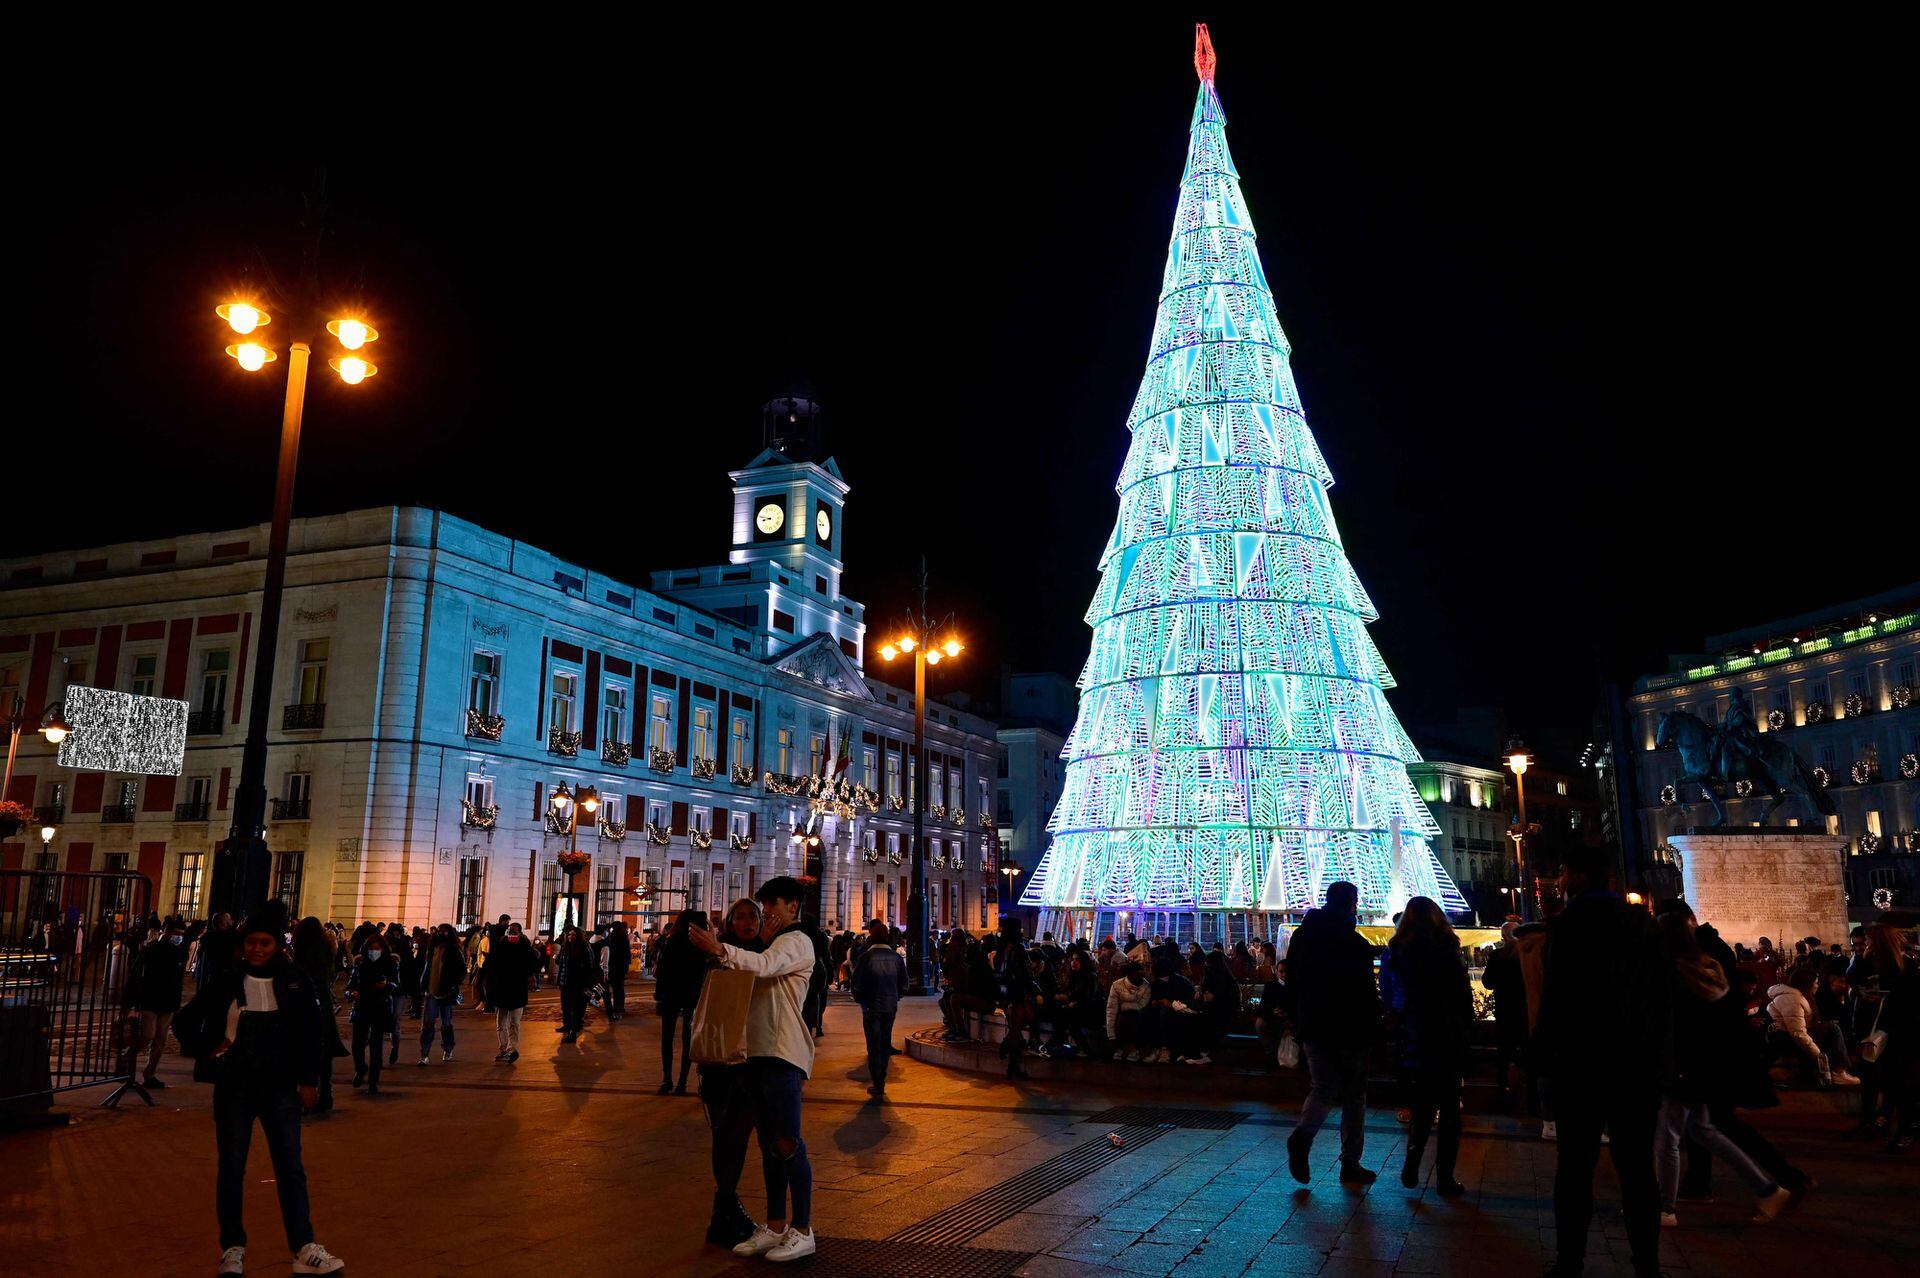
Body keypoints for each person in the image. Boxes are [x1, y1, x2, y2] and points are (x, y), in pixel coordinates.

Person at [171, 903, 345, 1275]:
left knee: (290, 1167)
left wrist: (310, 1080)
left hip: (281, 1087)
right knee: (232, 1167)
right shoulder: (227, 980)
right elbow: (185, 1019)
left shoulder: (295, 981)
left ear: (277, 946)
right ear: (243, 944)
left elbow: (311, 1033)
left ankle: (304, 1247)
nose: (257, 949)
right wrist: (208, 1048)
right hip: (235, 1086)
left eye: (264, 943)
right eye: (251, 942)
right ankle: (232, 1247)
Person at [1534, 845, 1671, 1278]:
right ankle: (1646, 1265)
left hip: (1581, 1064)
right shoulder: (1641, 925)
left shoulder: (1569, 927)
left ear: (1578, 876)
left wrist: (1540, 1055)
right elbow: (1662, 1000)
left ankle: (1570, 1261)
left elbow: (1556, 999)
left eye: (1562, 871)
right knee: (1636, 1170)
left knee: (1574, 1168)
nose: (1558, 881)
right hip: (1635, 1065)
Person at [686, 876, 821, 1263]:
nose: (767, 915)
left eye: (771, 907)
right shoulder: (777, 943)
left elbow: (763, 967)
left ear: (792, 906)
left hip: (782, 1054)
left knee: (788, 1144)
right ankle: (776, 1225)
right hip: (756, 1054)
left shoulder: (797, 942)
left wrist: (720, 947)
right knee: (768, 1146)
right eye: (763, 909)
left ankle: (803, 1229)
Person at [1654, 910, 1793, 1226]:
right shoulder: (1708, 967)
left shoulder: (1673, 971)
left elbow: (1675, 1023)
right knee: (1703, 1130)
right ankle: (1768, 1188)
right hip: (1707, 1061)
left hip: (1683, 1062)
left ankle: (1664, 1209)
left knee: (1668, 1136)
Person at [1283, 880, 1382, 1187]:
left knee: (1323, 1087)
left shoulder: (1302, 936)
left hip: (1313, 1025)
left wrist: (1296, 1020)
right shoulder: (1354, 943)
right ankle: (1350, 1162)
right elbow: (1365, 991)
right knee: (1355, 1096)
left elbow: (1292, 980)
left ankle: (1303, 1135)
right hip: (1350, 1028)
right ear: (1352, 903)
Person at [1386, 897, 1472, 1195]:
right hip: (1447, 1034)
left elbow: (1393, 993)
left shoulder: (1398, 951)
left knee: (1422, 1104)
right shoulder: (1447, 948)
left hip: (1418, 1032)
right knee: (1450, 1108)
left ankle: (1412, 1161)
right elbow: (1463, 996)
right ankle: (1445, 1178)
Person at [701, 899, 768, 1247]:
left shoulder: (766, 952)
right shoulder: (718, 954)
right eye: (740, 917)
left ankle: (725, 1210)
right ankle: (725, 1210)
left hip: (750, 1055)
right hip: (720, 1056)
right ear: (730, 922)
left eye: (752, 916)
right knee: (724, 1134)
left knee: (738, 1135)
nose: (747, 922)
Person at [126, 917, 190, 1090]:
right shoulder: (151, 949)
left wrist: (176, 1001)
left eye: (181, 935)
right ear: (166, 932)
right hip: (150, 998)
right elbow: (136, 974)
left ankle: (150, 1074)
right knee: (147, 1035)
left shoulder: (178, 951)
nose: (179, 937)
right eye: (177, 934)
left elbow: (177, 980)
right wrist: (131, 1000)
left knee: (160, 1040)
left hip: (167, 1001)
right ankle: (127, 1058)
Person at [289, 918, 345, 1112]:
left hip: (306, 1000)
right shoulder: (327, 948)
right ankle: (326, 1092)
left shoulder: (303, 950)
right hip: (323, 1001)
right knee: (324, 1048)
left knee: (304, 1046)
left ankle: (305, 1092)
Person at [1768, 967, 1859, 1086]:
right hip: (1785, 1039)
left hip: (1788, 1035)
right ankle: (1839, 1071)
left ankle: (1835, 1071)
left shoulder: (1797, 996)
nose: (1817, 986)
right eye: (1815, 983)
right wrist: (1819, 1057)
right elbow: (1798, 1033)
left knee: (1830, 1029)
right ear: (1807, 984)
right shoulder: (1792, 999)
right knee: (1833, 1029)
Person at [849, 916, 908, 1099]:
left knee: (873, 1045)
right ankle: (882, 1077)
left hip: (871, 1006)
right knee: (884, 1041)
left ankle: (878, 1082)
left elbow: (856, 984)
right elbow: (904, 984)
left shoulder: (866, 957)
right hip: (890, 1006)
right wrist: (895, 997)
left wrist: (861, 1000)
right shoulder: (896, 958)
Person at [654, 908, 710, 1094]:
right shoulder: (701, 944)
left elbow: (661, 971)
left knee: (667, 1038)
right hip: (692, 995)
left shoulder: (671, 941)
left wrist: (658, 994)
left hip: (671, 994)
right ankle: (682, 1082)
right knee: (688, 1040)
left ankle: (666, 1079)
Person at [345, 932, 398, 1095]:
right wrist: (351, 994)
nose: (374, 951)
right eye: (371, 948)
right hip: (361, 1007)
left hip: (380, 1007)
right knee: (357, 1044)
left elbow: (397, 986)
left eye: (377, 948)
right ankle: (360, 1068)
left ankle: (373, 1081)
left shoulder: (389, 964)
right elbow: (350, 986)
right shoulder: (360, 964)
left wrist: (387, 985)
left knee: (376, 1046)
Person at [484, 921, 535, 1063]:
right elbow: (490, 964)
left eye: (514, 932)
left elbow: (533, 964)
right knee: (500, 1022)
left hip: (517, 990)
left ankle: (512, 1049)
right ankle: (503, 1048)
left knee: (514, 1023)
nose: (511, 934)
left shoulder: (525, 948)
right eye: (510, 931)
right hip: (502, 990)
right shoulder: (500, 945)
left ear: (520, 933)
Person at [993, 916, 1036, 1080]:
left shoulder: (1001, 950)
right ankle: (1013, 1064)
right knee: (1018, 1027)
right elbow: (1026, 974)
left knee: (1015, 1027)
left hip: (1004, 995)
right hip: (1017, 993)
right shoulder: (1019, 950)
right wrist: (1033, 991)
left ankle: (1010, 1056)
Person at [418, 925, 466, 1066]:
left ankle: (448, 1049)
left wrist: (454, 985)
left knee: (446, 1024)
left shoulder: (455, 952)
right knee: (428, 1024)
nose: (441, 934)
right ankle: (424, 1054)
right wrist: (423, 984)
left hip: (446, 992)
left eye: (444, 932)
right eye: (439, 932)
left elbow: (461, 971)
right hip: (432, 991)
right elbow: (427, 969)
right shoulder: (432, 950)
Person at [602, 918, 633, 1021]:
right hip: (620, 967)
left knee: (616, 988)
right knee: (619, 987)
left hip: (615, 966)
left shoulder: (615, 937)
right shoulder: (623, 937)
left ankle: (617, 1007)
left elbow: (617, 953)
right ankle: (619, 1006)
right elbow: (627, 954)